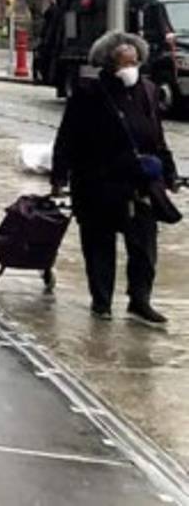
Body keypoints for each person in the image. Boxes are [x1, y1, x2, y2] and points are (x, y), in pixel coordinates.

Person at [52, 31, 179, 326]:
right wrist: (60, 174)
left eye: (135, 61)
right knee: (99, 246)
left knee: (144, 247)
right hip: (97, 182)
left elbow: (157, 137)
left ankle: (140, 301)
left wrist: (168, 172)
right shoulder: (89, 92)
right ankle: (102, 303)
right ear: (109, 65)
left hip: (139, 183)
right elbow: (68, 136)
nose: (131, 67)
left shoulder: (147, 90)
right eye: (124, 63)